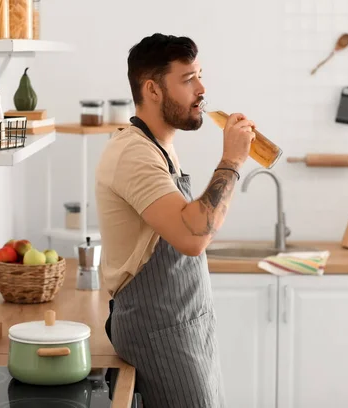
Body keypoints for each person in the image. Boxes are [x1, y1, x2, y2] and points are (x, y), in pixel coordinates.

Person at [95, 33, 255, 408]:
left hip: (182, 325)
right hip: (159, 331)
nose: (201, 89)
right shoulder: (134, 153)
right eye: (187, 79)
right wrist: (231, 161)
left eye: (199, 75)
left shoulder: (158, 146)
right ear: (152, 90)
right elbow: (192, 236)